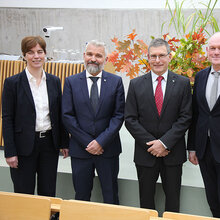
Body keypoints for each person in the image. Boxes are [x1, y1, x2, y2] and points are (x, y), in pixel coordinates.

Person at [125, 38, 192, 212]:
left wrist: (164, 143)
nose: (157, 60)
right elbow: (130, 119)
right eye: (153, 56)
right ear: (147, 58)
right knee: (146, 203)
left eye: (161, 55)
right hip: (145, 154)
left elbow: (185, 117)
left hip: (172, 153)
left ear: (169, 57)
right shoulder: (135, 84)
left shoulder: (183, 83)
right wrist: (153, 145)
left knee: (173, 202)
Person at [2, 36, 69, 197]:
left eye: (40, 52)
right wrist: (9, 151)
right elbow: (7, 118)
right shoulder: (12, 83)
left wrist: (64, 142)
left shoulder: (54, 81)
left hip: (49, 145)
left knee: (48, 192)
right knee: (24, 193)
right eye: (30, 52)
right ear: (24, 55)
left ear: (45, 54)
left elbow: (59, 115)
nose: (36, 56)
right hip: (23, 146)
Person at [62, 40, 125, 204]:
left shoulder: (116, 82)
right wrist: (88, 142)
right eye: (90, 54)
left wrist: (100, 142)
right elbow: (67, 116)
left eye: (98, 55)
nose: (93, 58)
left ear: (106, 59)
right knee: (81, 197)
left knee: (111, 196)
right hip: (81, 150)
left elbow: (118, 116)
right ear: (84, 56)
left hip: (108, 150)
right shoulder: (71, 82)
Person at [187, 32, 220, 218]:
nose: (216, 52)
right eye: (212, 48)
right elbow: (196, 114)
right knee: (212, 199)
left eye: (219, 49)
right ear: (207, 51)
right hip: (205, 150)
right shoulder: (200, 77)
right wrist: (192, 147)